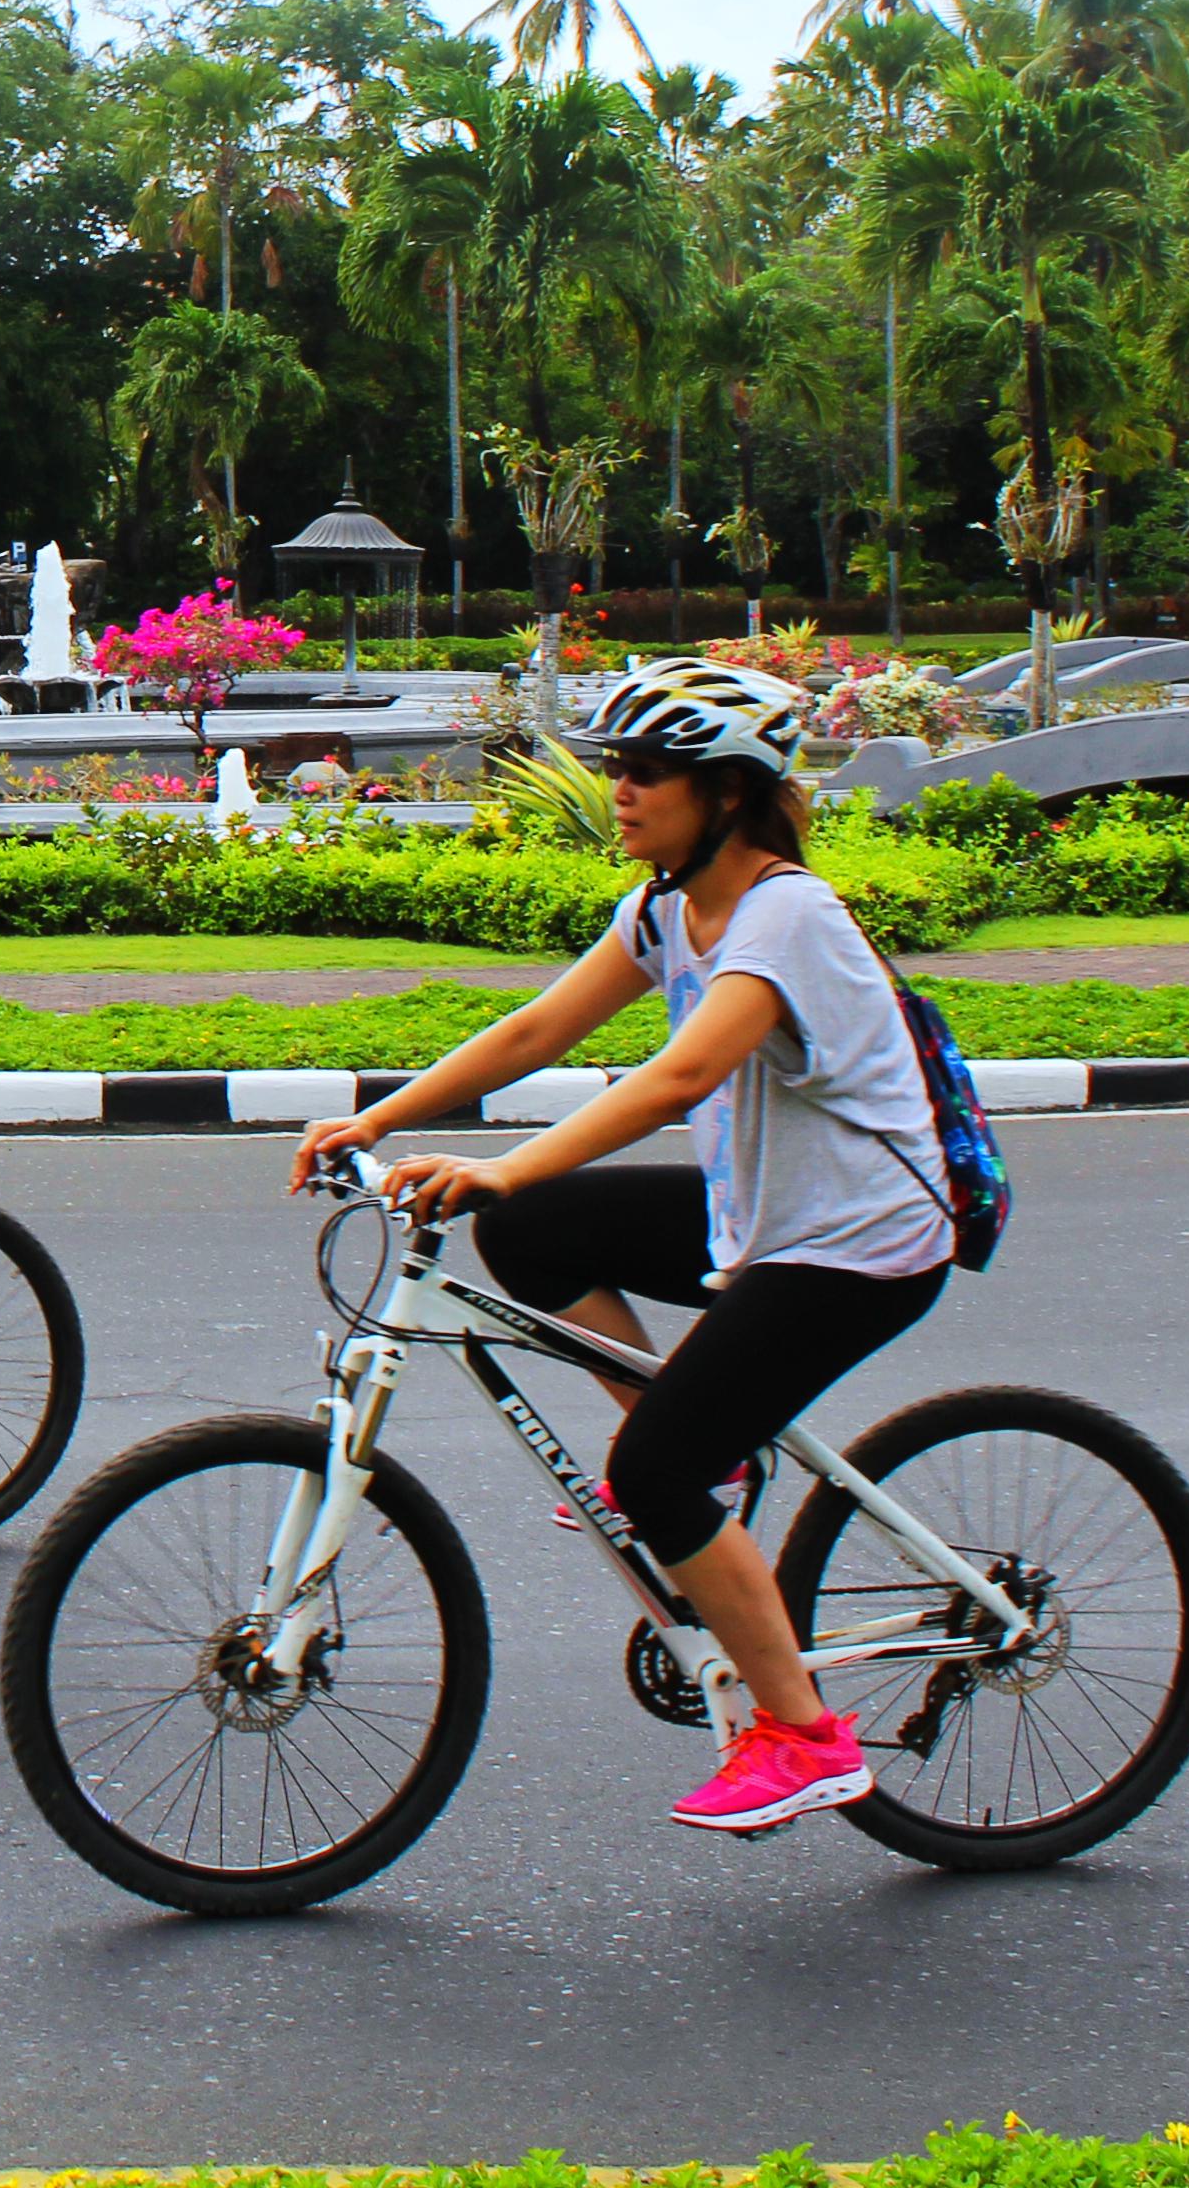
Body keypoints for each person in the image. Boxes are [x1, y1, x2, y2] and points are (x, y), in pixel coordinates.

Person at [293, 657, 954, 1834]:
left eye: (650, 771)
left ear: (732, 794)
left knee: (654, 1471)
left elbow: (683, 1074)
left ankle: (803, 1736)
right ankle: (713, 1457)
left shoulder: (787, 913)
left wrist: (500, 1160)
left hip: (861, 1243)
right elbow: (542, 1025)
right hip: (763, 1217)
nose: (623, 790)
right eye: (616, 769)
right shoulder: (663, 910)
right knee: (532, 1231)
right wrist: (381, 1116)